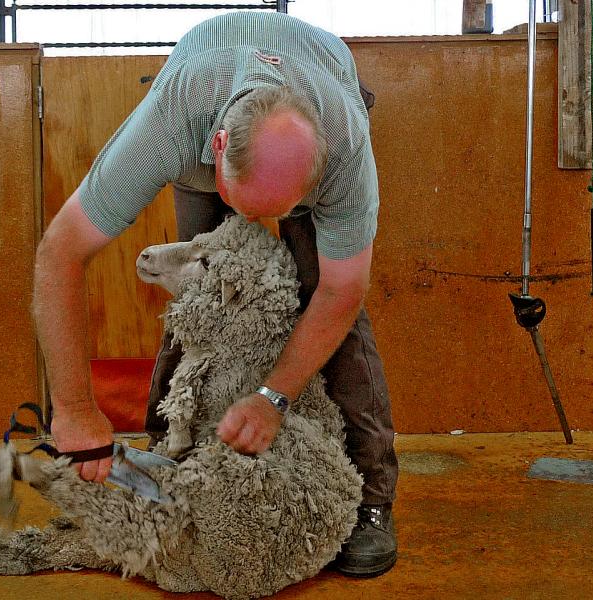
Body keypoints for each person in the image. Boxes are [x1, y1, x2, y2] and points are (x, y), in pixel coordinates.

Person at [33, 10, 399, 577]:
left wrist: (272, 397)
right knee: (202, 295)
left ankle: (371, 498)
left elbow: (342, 291)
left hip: (319, 79)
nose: (252, 225)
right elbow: (60, 252)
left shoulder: (343, 144)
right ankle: (169, 454)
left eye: (275, 212)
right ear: (218, 146)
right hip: (205, 94)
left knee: (319, 290)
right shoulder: (173, 122)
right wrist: (76, 409)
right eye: (246, 206)